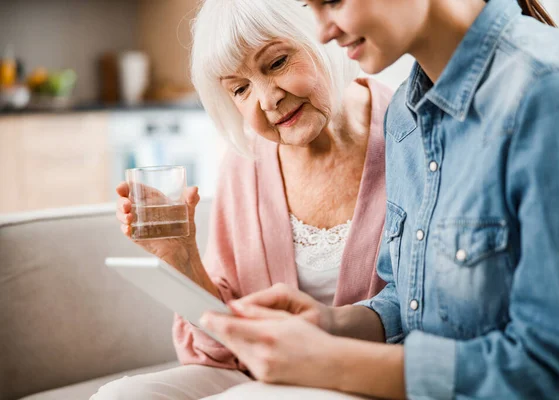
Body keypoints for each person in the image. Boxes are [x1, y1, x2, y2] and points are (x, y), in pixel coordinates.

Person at [200, 0, 559, 399]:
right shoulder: (406, 115)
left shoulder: (551, 93)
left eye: (333, 1)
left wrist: (331, 362)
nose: (323, 32)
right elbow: (410, 297)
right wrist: (330, 324)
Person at [91, 0, 394, 399]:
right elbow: (224, 346)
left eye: (277, 63)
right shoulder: (245, 161)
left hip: (368, 376)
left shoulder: (409, 133)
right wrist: (181, 257)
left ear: (321, 34)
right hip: (263, 376)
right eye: (240, 88)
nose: (267, 101)